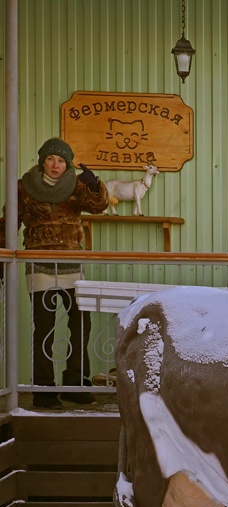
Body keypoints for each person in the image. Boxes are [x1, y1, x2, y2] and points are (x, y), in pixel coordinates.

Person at [1, 137, 109, 409]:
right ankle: (43, 389)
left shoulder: (78, 185)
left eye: (61, 160)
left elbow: (98, 206)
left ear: (67, 164)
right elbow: (8, 222)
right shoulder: (23, 188)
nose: (55, 165)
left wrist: (95, 185)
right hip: (39, 265)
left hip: (72, 265)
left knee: (81, 325)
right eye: (51, 159)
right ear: (42, 161)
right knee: (44, 330)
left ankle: (76, 383)